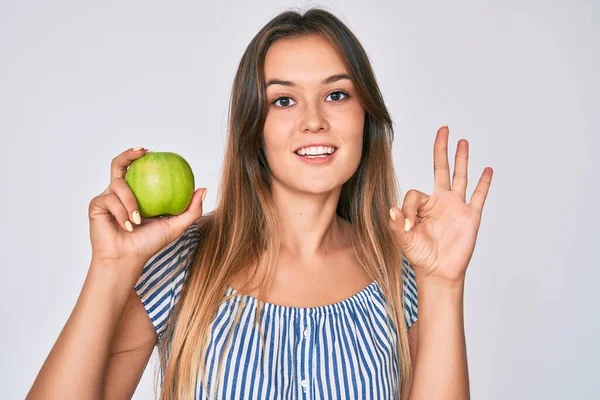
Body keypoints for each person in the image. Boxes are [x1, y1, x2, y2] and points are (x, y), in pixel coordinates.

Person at [27, 6, 493, 400]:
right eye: (284, 101)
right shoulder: (185, 263)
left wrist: (445, 283)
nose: (314, 121)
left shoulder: (401, 272)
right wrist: (110, 267)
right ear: (254, 128)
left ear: (364, 117)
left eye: (336, 95)